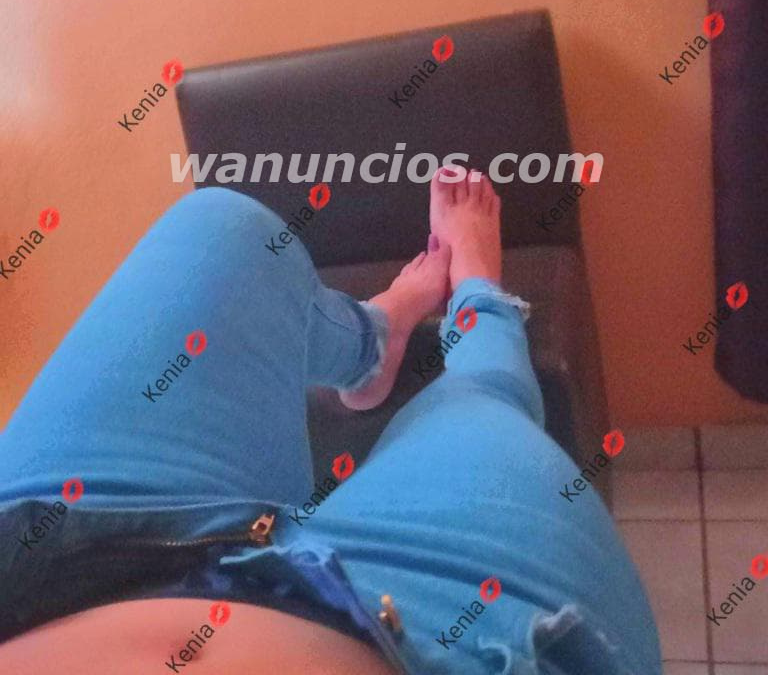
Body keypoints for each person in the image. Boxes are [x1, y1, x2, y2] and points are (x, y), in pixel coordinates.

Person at [0, 168, 662, 674]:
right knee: (479, 399)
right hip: (405, 630)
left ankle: (373, 339)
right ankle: (478, 296)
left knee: (227, 230)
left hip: (42, 553)